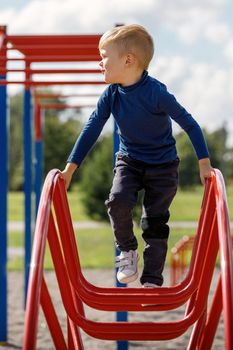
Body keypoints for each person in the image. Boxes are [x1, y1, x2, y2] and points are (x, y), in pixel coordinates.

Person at [61, 24, 213, 288]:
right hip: (129, 161)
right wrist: (70, 169)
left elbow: (189, 124)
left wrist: (204, 163)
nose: (100, 63)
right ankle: (127, 251)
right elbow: (92, 127)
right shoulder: (111, 95)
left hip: (163, 166)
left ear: (128, 60)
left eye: (104, 56)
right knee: (117, 201)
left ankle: (152, 277)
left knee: (154, 221)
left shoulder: (157, 93)